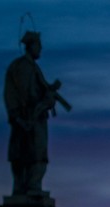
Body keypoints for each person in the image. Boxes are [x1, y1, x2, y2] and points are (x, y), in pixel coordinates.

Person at [4, 31, 68, 197]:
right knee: (30, 155)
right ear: (31, 45)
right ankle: (30, 187)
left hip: (32, 118)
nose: (41, 48)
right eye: (38, 45)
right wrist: (43, 103)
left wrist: (49, 93)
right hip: (28, 118)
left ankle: (30, 187)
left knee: (33, 155)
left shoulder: (30, 67)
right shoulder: (22, 67)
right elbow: (25, 94)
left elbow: (39, 89)